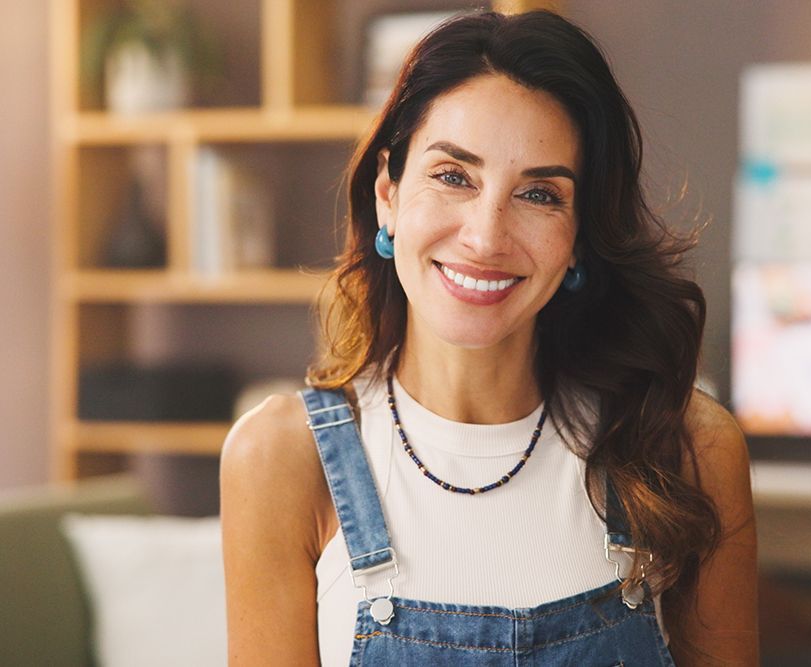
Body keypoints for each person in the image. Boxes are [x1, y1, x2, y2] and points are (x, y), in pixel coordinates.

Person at [220, 9, 757, 666]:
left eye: (539, 194)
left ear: (581, 235)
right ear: (388, 192)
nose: (485, 236)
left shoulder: (687, 450)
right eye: (453, 176)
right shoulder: (281, 460)